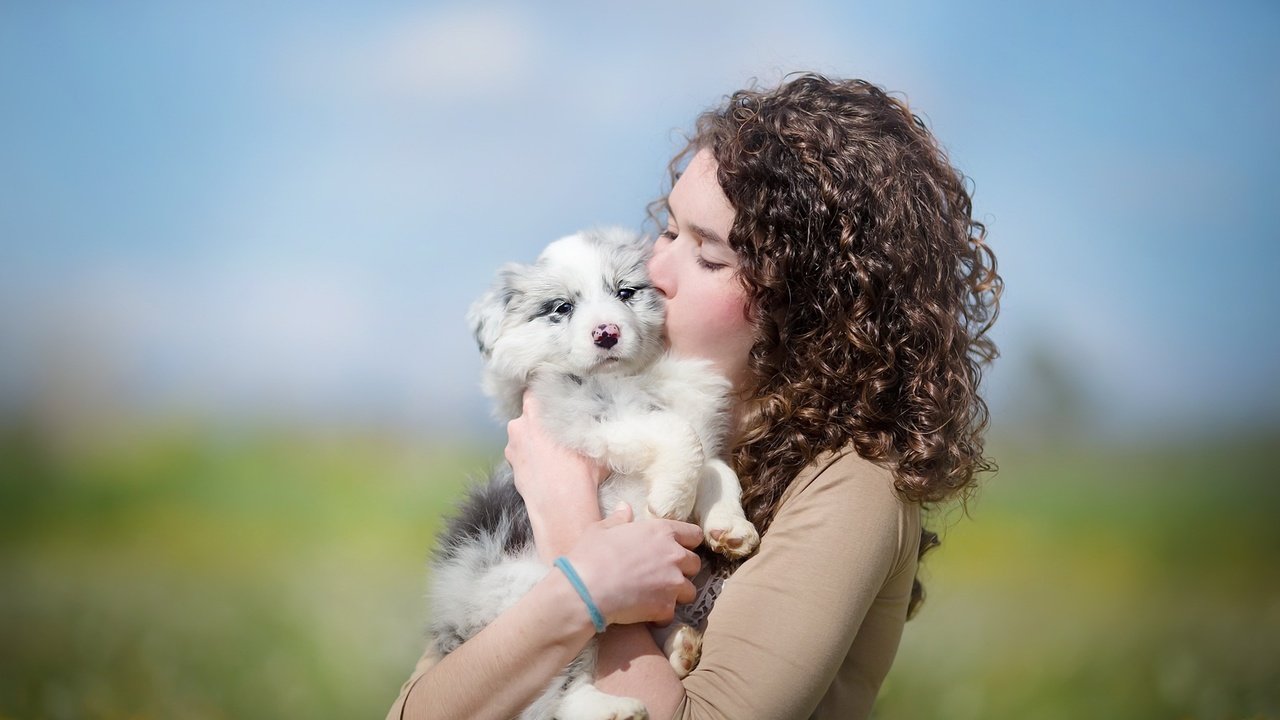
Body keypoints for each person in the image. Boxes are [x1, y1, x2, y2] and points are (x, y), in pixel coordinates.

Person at [387, 73, 1001, 720]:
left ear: (812, 312)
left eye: (707, 256)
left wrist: (577, 538)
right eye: (669, 230)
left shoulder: (852, 488)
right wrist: (575, 575)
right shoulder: (626, 427)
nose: (654, 270)